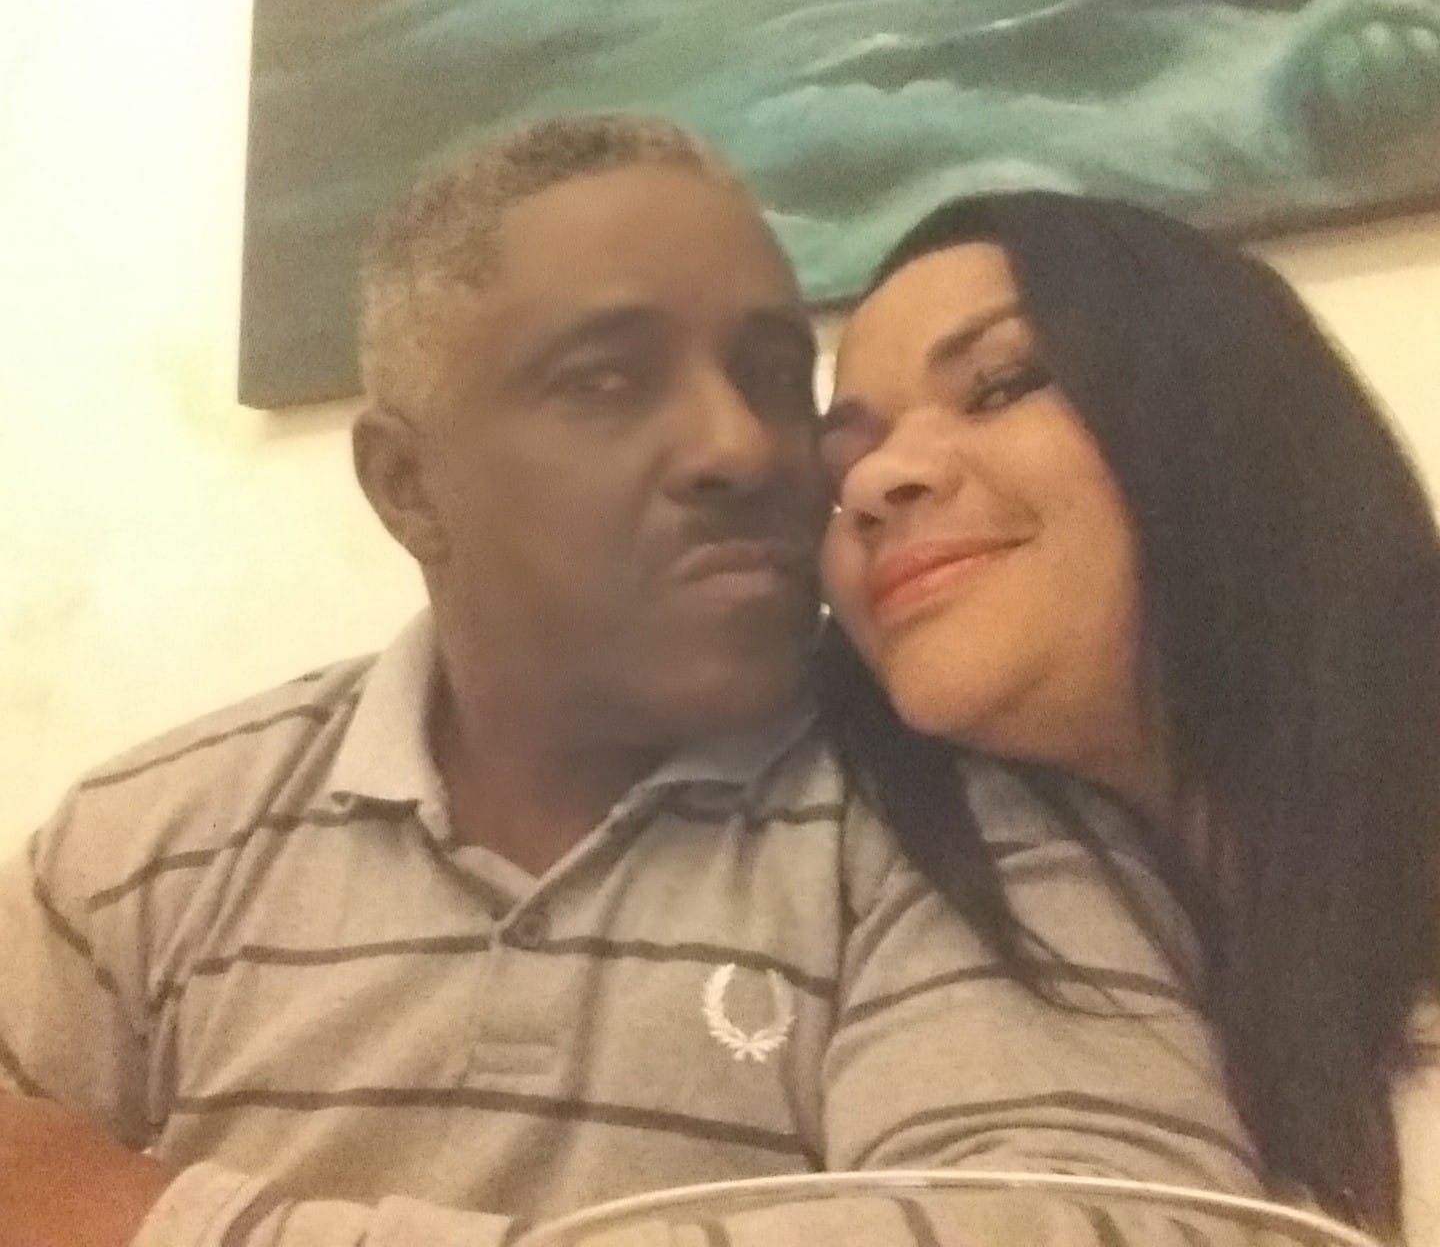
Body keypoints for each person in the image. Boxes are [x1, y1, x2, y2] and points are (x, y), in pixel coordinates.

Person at [0, 120, 1258, 1247]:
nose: (741, 445)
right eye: (605, 382)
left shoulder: (956, 811)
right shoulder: (147, 847)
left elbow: (1115, 1224)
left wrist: (156, 1224)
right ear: (408, 486)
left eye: (775, 376)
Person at [817, 189, 1440, 1236]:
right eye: (840, 470)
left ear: (1223, 411)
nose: (880, 479)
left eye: (999, 385)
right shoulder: (889, 924)